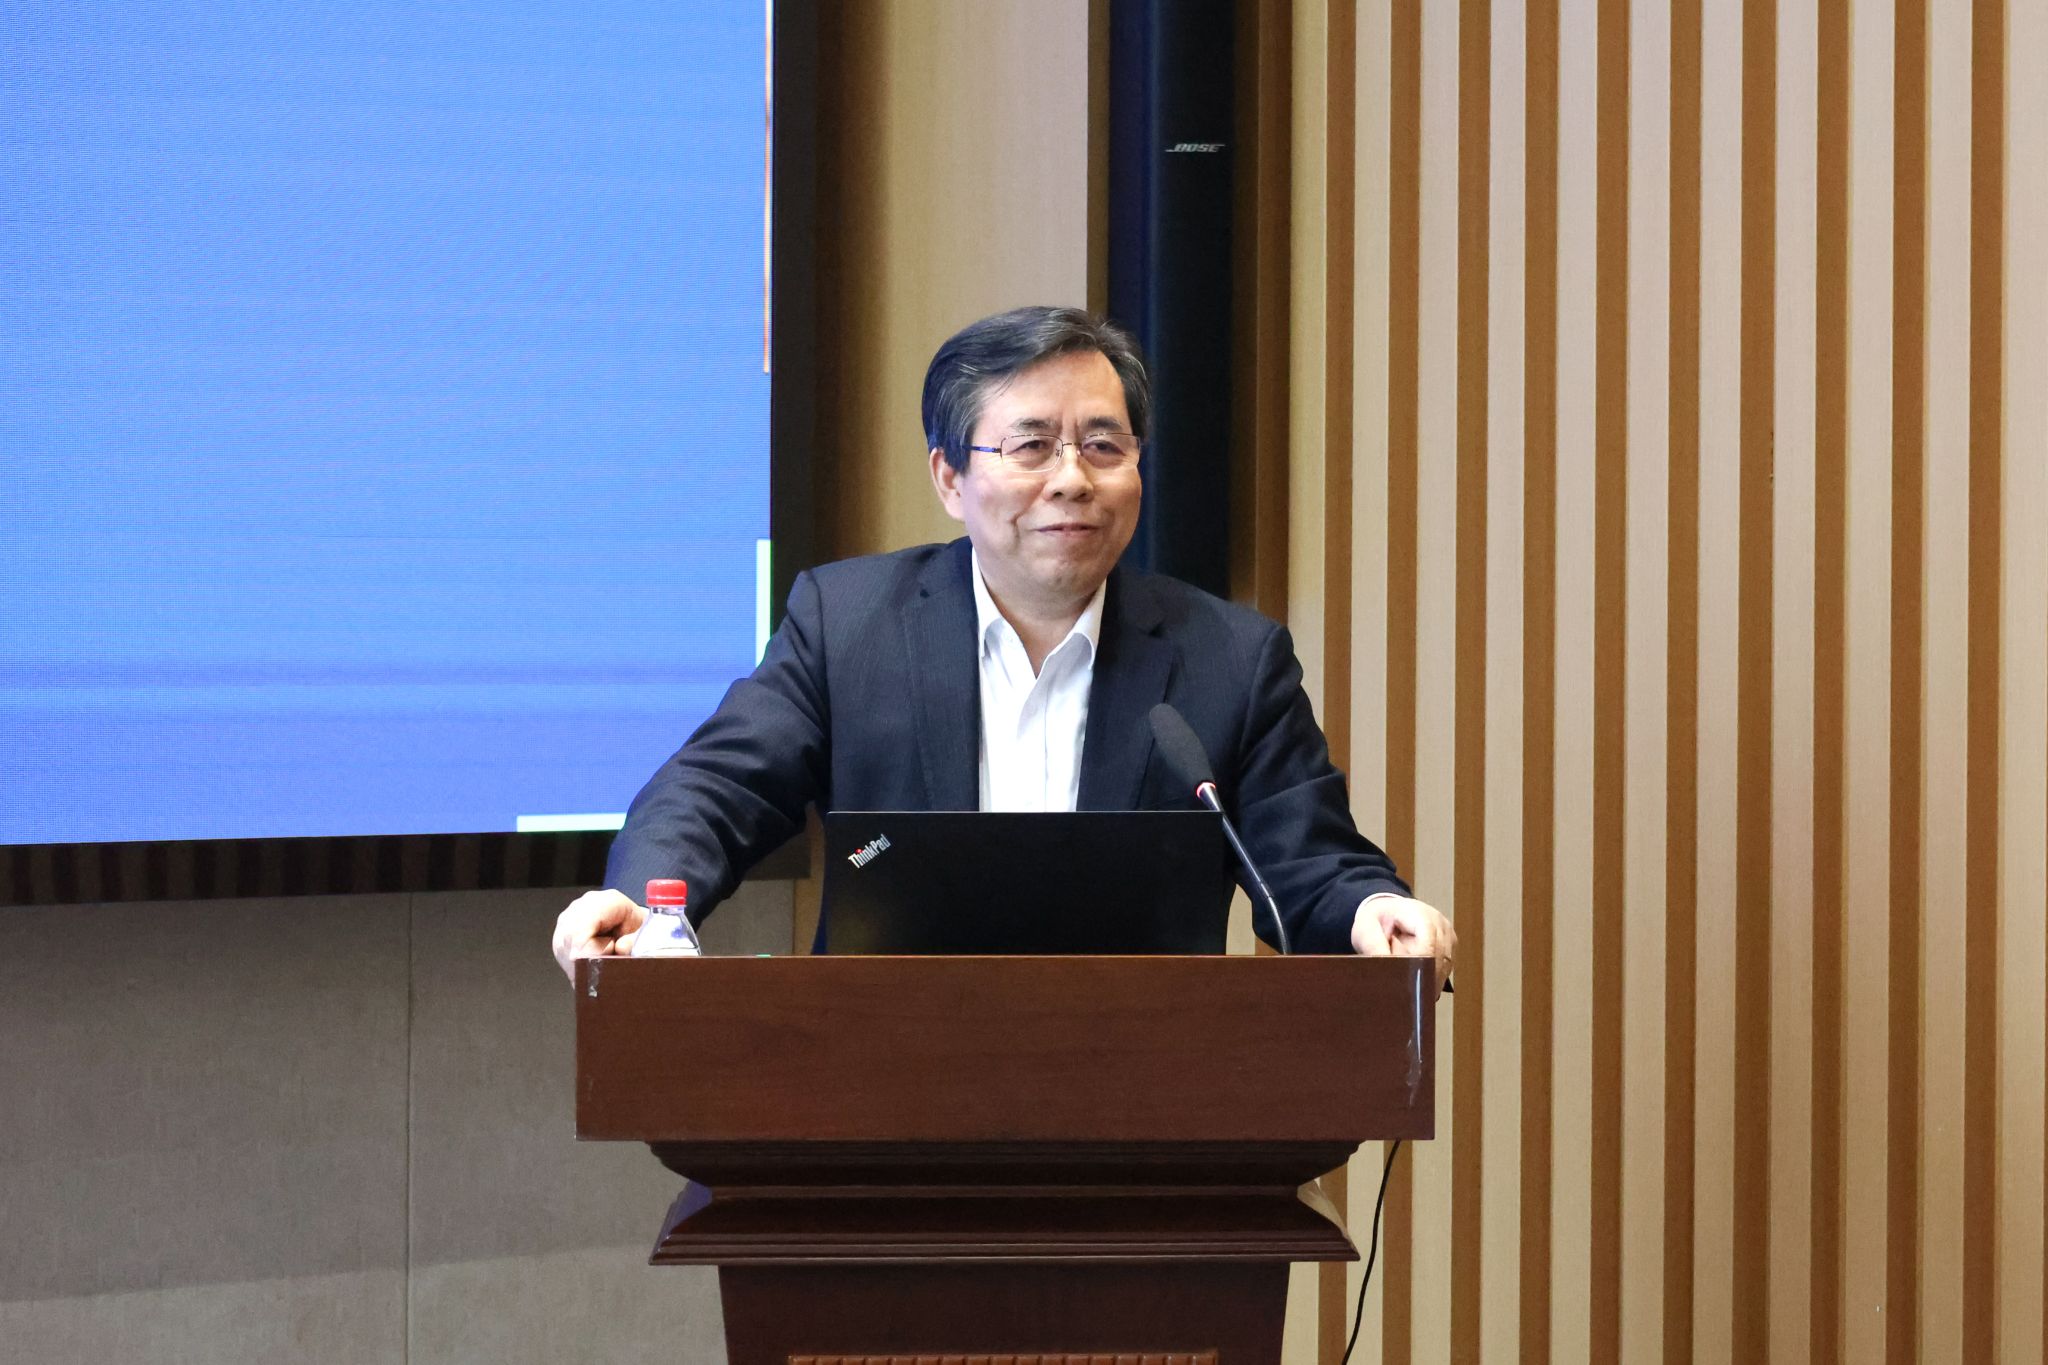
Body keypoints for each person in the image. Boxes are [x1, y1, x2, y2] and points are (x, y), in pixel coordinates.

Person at [551, 306, 1455, 988]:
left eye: (1103, 445)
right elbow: (718, 788)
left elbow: (1307, 859)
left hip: (1148, 1102)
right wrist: (645, 897)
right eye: (1031, 446)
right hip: (879, 1084)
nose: (1072, 478)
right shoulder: (849, 624)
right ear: (950, 477)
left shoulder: (1230, 658)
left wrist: (1374, 909)